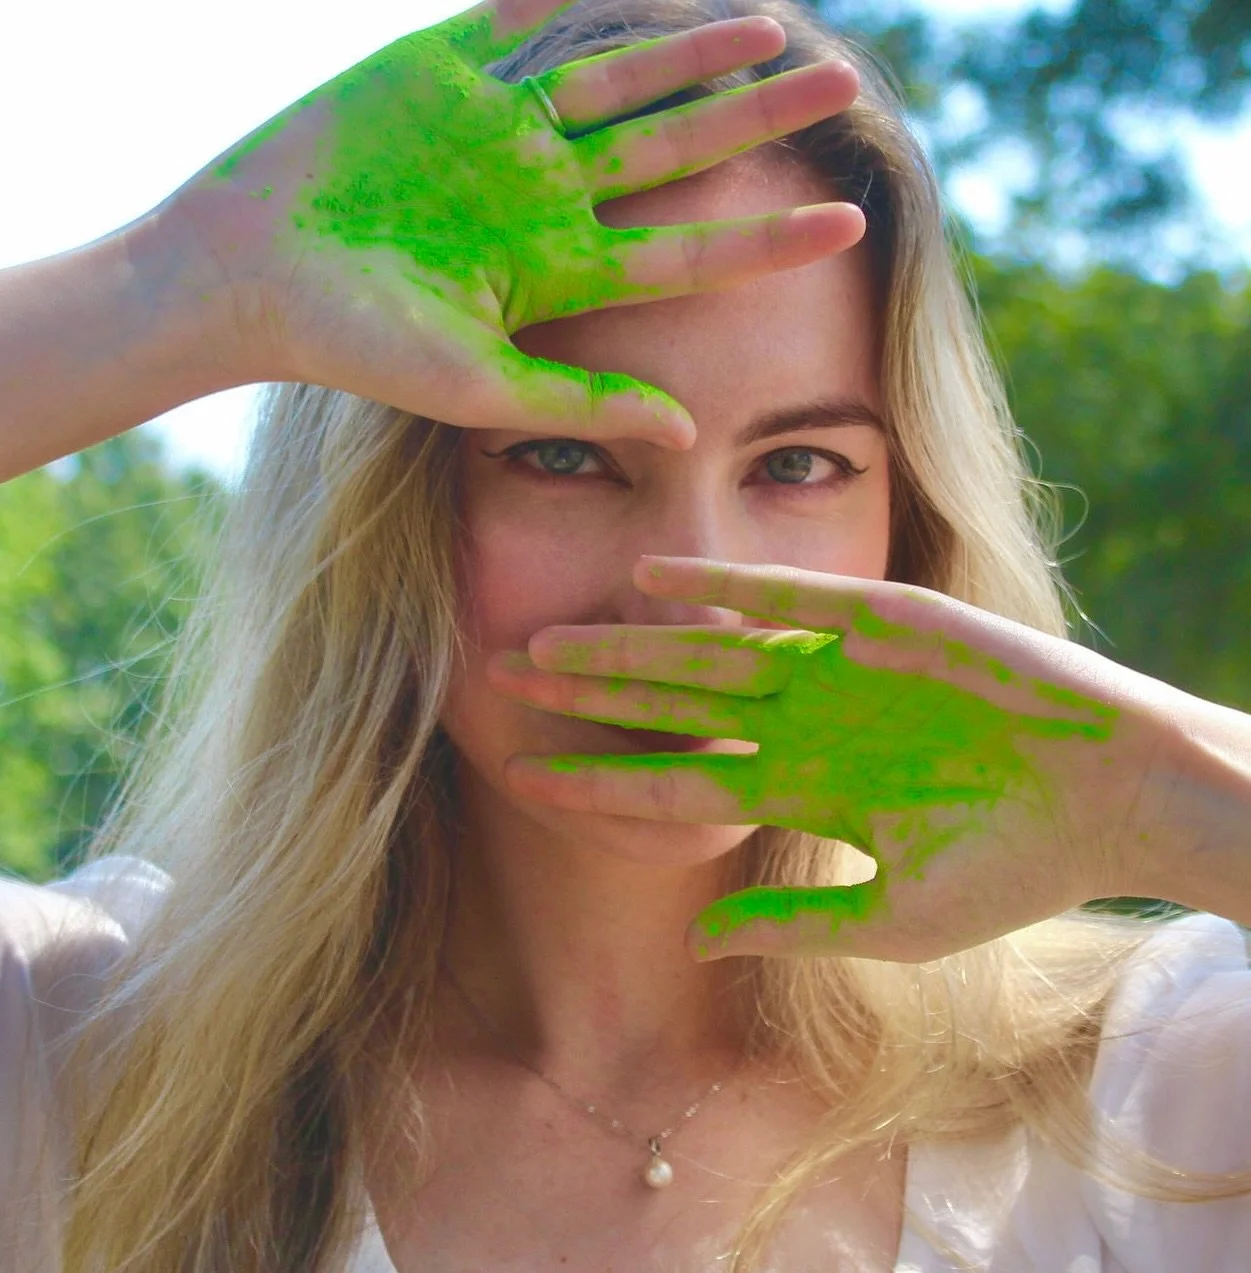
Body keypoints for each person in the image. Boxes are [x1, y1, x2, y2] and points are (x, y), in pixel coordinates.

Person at [1, 0, 1249, 1269]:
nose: (693, 593)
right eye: (565, 454)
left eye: (799, 464)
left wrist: (1167, 801)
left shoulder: (1153, 1097)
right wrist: (174, 289)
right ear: (383, 516)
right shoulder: (78, 1062)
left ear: (908, 522)